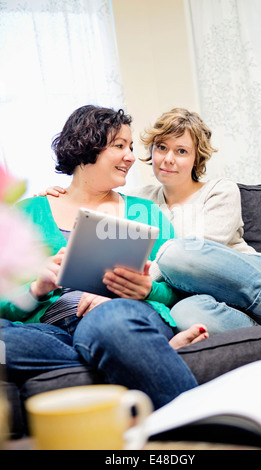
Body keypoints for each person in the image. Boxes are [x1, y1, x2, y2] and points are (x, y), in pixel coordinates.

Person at [1, 105, 209, 411]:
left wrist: (146, 290)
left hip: (120, 313)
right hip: (48, 331)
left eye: (130, 147)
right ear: (87, 145)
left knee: (111, 323)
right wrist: (36, 289)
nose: (130, 156)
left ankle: (199, 418)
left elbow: (178, 286)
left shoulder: (144, 212)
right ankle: (144, 352)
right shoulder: (27, 212)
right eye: (120, 146)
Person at [43, 108, 261, 335]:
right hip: (208, 301)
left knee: (176, 251)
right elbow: (91, 199)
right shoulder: (138, 200)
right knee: (181, 316)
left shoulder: (220, 191)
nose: (168, 159)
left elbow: (198, 253)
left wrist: (123, 286)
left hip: (255, 281)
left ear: (196, 158)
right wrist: (57, 195)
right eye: (161, 148)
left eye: (181, 151)